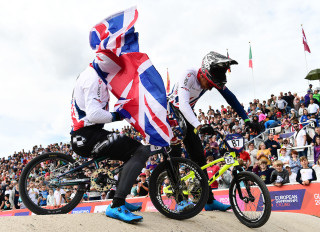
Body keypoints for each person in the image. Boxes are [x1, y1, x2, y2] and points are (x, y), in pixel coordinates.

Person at [70, 40, 153, 222]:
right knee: (141, 150)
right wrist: (118, 116)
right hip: (87, 136)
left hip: (86, 135)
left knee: (130, 155)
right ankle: (116, 205)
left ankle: (120, 200)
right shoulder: (94, 80)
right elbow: (94, 114)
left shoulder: (91, 73)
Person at [167, 51, 250, 211]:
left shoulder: (212, 77)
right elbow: (183, 104)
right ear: (203, 74)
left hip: (187, 117)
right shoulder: (188, 74)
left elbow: (230, 97)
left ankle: (209, 201)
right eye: (210, 84)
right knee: (174, 158)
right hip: (170, 116)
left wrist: (246, 119)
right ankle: (179, 200)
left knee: (199, 158)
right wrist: (198, 125)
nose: (211, 88)